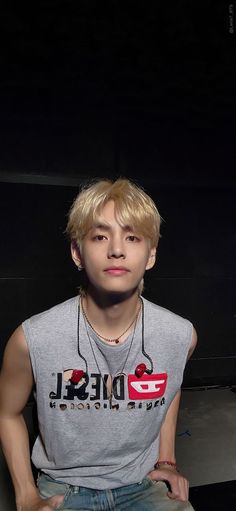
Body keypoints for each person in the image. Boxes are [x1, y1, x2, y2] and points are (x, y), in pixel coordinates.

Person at [0, 178, 197, 511]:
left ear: (150, 255)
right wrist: (26, 495)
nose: (116, 249)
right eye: (100, 236)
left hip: (141, 483)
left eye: (132, 237)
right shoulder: (33, 338)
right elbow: (7, 413)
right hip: (63, 487)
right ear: (78, 252)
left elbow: (169, 386)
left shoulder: (180, 335)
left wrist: (167, 460)